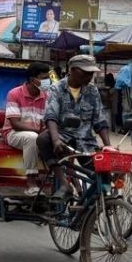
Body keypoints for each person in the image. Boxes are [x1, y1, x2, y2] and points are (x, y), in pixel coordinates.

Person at [39, 54, 116, 198]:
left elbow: (100, 120)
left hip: (86, 141)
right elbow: (51, 116)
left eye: (91, 73)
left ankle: (98, 202)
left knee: (104, 174)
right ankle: (64, 184)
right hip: (63, 138)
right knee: (43, 139)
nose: (89, 76)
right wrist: (55, 140)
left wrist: (108, 146)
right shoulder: (56, 89)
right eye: (85, 72)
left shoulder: (93, 91)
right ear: (72, 70)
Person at [1, 62, 52, 196]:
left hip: (39, 133)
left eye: (48, 77)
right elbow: (15, 124)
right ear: (32, 79)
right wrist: (37, 130)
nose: (47, 81)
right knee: (32, 138)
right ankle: (31, 182)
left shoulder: (47, 96)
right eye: (44, 78)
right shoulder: (14, 94)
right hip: (13, 133)